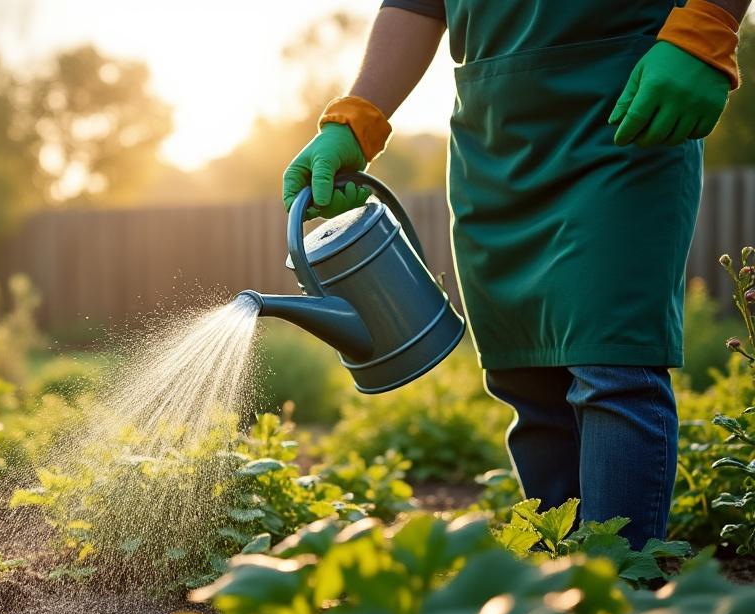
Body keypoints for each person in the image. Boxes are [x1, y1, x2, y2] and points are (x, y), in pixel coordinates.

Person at [283, 1, 748, 549]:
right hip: (492, 139)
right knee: (522, 374)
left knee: (613, 362)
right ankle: (556, 585)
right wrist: (358, 116)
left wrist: (708, 25)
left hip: (623, 109)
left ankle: (617, 597)